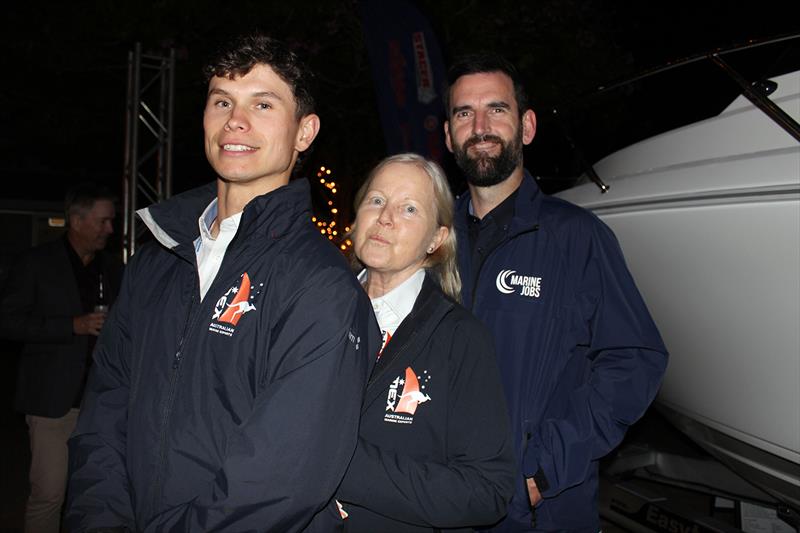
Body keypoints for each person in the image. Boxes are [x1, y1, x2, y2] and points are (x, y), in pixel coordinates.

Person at [65, 34, 379, 532]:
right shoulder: (157, 261)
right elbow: (103, 417)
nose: (236, 119)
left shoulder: (321, 285)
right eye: (222, 101)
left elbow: (281, 480)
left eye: (263, 103)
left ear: (304, 132)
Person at [443, 53, 669, 531]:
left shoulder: (577, 237)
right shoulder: (432, 243)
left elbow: (635, 358)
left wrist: (545, 465)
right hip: (440, 501)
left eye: (496, 109)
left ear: (526, 126)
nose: (480, 125)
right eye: (464, 113)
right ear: (448, 136)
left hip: (537, 511)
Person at [336, 153, 516, 532]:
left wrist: (341, 466)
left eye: (409, 208)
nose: (385, 217)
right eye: (377, 200)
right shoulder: (312, 311)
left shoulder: (459, 339)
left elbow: (487, 491)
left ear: (437, 238)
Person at [0, 183, 121, 533]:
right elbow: (8, 321)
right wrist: (71, 325)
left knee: (94, 493)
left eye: (111, 221)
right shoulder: (37, 263)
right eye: (103, 222)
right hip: (52, 400)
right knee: (50, 493)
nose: (110, 230)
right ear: (77, 220)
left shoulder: (111, 268)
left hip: (102, 401)